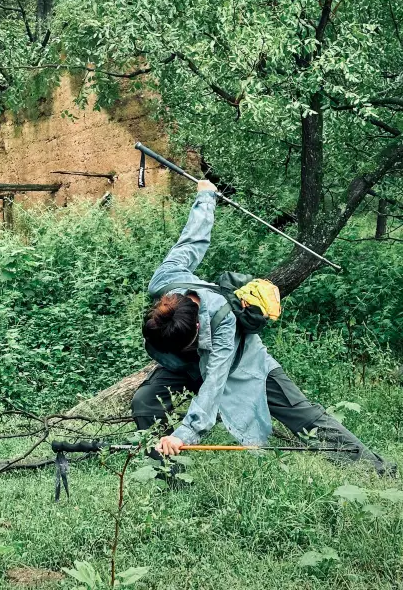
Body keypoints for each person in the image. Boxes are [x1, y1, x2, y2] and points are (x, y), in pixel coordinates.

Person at [131, 181, 394, 475]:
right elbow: (192, 241)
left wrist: (184, 434)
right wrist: (206, 196)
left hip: (243, 366)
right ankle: (169, 478)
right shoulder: (165, 281)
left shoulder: (221, 320)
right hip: (183, 369)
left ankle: (377, 471)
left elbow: (214, 385)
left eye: (190, 343)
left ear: (196, 325)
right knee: (145, 403)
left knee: (304, 415)